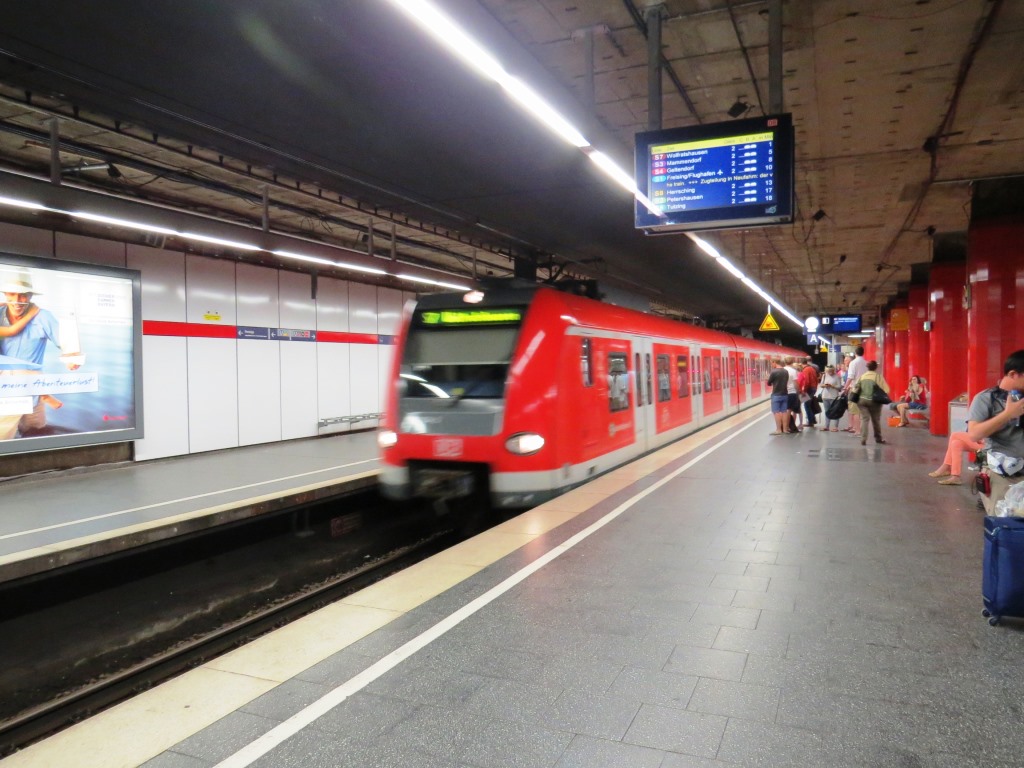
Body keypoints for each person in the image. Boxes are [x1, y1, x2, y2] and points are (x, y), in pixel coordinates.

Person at [0, 270, 85, 438]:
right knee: (4, 435)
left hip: (34, 384)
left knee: (37, 431)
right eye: (12, 294)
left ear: (31, 296)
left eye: (23, 295)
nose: (18, 300)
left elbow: (66, 340)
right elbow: (10, 331)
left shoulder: (44, 317)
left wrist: (71, 356)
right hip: (6, 387)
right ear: (5, 294)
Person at [965, 350, 1024, 513]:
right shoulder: (986, 399)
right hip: (1002, 477)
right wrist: (1007, 415)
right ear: (1014, 374)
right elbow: (974, 434)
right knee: (1006, 529)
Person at [852, 359, 889, 445]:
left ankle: (863, 438)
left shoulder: (863, 376)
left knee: (864, 419)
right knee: (876, 420)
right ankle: (878, 438)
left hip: (861, 401)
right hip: (874, 401)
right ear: (875, 367)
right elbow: (886, 389)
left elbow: (855, 388)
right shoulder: (878, 377)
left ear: (867, 368)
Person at [844, 346, 868, 434]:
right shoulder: (866, 363)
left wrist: (845, 388)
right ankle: (862, 430)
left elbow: (850, 377)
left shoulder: (853, 363)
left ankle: (857, 431)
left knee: (855, 411)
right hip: (865, 389)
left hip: (855, 389)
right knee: (862, 411)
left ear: (855, 353)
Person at [766, 358, 790, 435]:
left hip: (776, 394)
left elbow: (769, 383)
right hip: (785, 394)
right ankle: (785, 429)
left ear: (774, 362)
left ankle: (779, 429)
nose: (771, 365)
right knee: (784, 411)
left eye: (771, 363)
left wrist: (768, 379)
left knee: (776, 412)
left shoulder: (774, 372)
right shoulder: (786, 371)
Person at [818, 364, 843, 431]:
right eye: (828, 371)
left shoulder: (837, 377)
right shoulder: (824, 375)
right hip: (825, 396)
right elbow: (821, 384)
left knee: (835, 411)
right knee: (827, 411)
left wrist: (832, 386)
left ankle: (835, 427)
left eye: (831, 371)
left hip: (834, 396)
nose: (829, 373)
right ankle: (826, 426)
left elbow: (839, 387)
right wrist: (824, 385)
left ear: (833, 370)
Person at [799, 360, 820, 428]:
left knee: (806, 405)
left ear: (802, 364)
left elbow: (806, 381)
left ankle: (810, 421)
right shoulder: (811, 368)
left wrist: (804, 391)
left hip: (809, 389)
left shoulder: (805, 370)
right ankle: (812, 420)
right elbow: (816, 379)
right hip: (812, 388)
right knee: (809, 405)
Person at [783, 356, 801, 432]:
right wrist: (798, 391)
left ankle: (783, 427)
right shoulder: (793, 371)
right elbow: (795, 383)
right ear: (792, 362)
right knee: (789, 410)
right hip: (791, 392)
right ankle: (787, 427)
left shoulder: (782, 370)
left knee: (783, 411)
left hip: (783, 392)